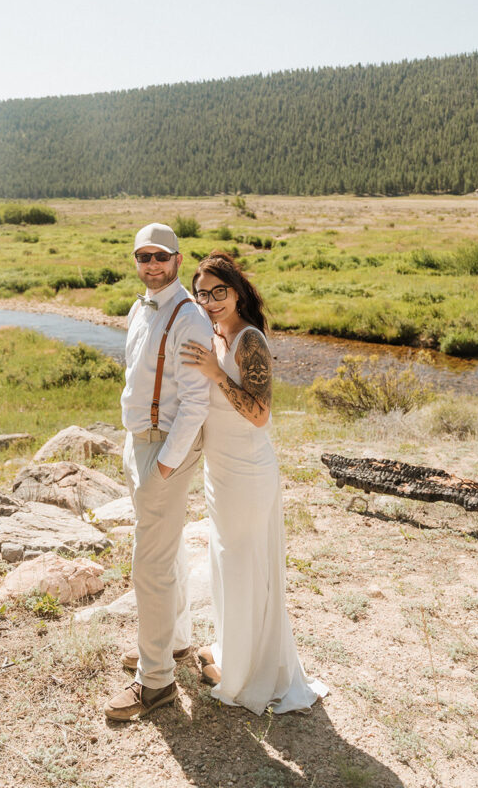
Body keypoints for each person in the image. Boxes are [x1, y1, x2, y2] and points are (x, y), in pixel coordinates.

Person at [181, 251, 328, 715]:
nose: (210, 301)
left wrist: (214, 374)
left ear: (238, 291)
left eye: (218, 292)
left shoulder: (249, 341)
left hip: (247, 470)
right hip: (219, 471)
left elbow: (260, 415)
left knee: (245, 566)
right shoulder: (214, 333)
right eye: (202, 294)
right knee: (228, 565)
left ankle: (250, 673)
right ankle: (234, 656)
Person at [104, 223, 213, 721]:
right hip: (138, 445)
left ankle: (155, 683)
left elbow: (195, 401)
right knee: (164, 553)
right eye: (143, 257)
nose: (151, 265)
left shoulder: (188, 318)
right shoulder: (138, 308)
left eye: (160, 257)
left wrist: (167, 462)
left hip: (164, 453)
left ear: (176, 258)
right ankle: (174, 643)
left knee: (147, 566)